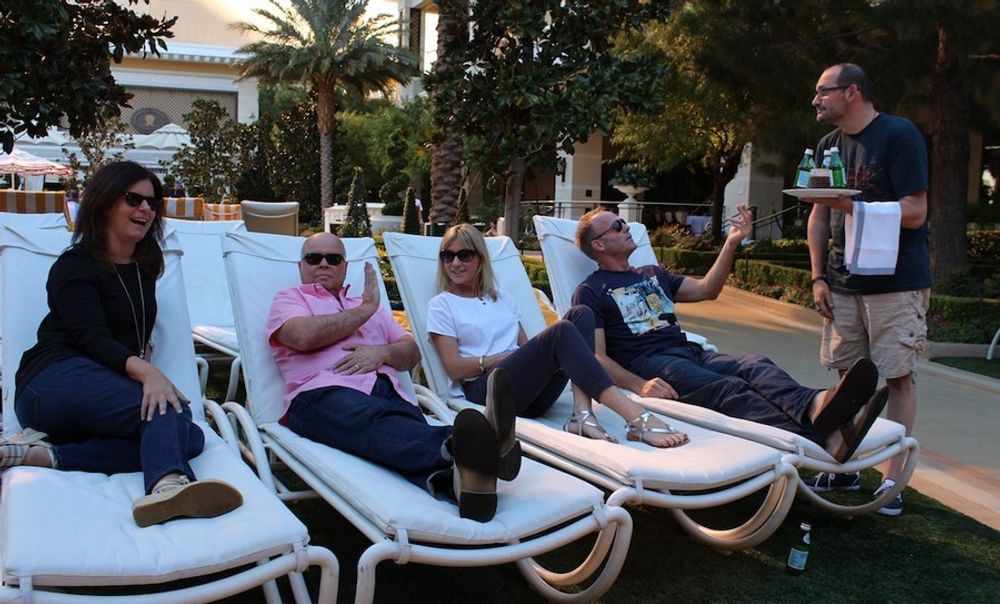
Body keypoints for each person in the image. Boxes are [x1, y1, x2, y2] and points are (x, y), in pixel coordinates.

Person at [4, 160, 243, 527]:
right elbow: (91, 338)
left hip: (99, 393)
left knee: (189, 437)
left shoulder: (143, 268)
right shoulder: (74, 267)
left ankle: (47, 456)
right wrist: (147, 373)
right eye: (133, 199)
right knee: (168, 410)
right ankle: (167, 487)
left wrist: (142, 362)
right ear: (104, 203)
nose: (145, 209)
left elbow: (132, 335)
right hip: (50, 383)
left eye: (152, 202)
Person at [573, 207, 890, 462]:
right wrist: (639, 385)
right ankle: (821, 439)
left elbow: (707, 290)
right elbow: (595, 357)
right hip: (653, 365)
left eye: (623, 221)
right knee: (729, 388)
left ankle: (816, 404)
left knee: (755, 364)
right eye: (616, 226)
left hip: (690, 352)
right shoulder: (591, 291)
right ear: (599, 245)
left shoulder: (652, 274)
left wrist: (732, 241)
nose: (626, 227)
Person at [267, 232, 518, 522]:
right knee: (377, 422)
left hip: (389, 392)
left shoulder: (370, 307)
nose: (324, 264)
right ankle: (471, 443)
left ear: (344, 267)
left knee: (396, 433)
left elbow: (411, 353)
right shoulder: (290, 300)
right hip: (321, 395)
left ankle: (463, 487)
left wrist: (383, 353)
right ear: (301, 267)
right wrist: (364, 311)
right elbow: (302, 335)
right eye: (314, 258)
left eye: (333, 259)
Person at [426, 223, 687, 448]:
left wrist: (529, 355)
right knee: (562, 330)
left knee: (581, 313)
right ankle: (633, 416)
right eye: (448, 256)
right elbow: (455, 368)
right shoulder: (442, 304)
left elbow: (526, 349)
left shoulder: (501, 298)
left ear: (480, 258)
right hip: (487, 392)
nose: (455, 263)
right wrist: (501, 358)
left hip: (527, 393)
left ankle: (582, 414)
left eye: (464, 255)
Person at [803, 63, 931, 515]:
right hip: (840, 282)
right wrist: (819, 276)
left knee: (897, 376)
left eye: (824, 91)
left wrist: (853, 206)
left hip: (896, 283)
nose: (816, 99)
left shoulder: (899, 136)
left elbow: (916, 211)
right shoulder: (827, 146)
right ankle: (847, 463)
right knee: (848, 378)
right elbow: (818, 216)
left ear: (852, 92)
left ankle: (891, 480)